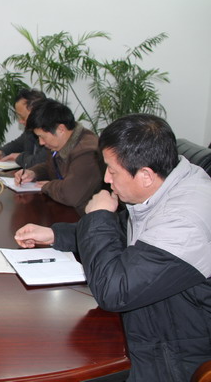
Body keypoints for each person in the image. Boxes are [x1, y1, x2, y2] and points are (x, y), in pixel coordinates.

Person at [15, 114, 211, 381]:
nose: (106, 178)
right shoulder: (167, 184)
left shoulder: (184, 222)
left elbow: (113, 290)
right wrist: (55, 234)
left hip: (170, 355)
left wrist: (98, 216)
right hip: (152, 322)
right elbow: (122, 229)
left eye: (112, 170)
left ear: (145, 175)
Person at [14, 98, 103, 214]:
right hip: (66, 211)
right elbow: (52, 167)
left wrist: (48, 186)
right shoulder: (60, 143)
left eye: (42, 137)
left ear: (61, 129)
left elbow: (71, 194)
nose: (41, 142)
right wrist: (33, 173)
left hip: (86, 217)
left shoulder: (86, 152)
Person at [0, 88, 47, 168]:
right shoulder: (30, 130)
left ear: (36, 113)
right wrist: (0, 152)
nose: (20, 121)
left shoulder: (51, 131)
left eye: (22, 117)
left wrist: (18, 157)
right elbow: (17, 144)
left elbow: (40, 162)